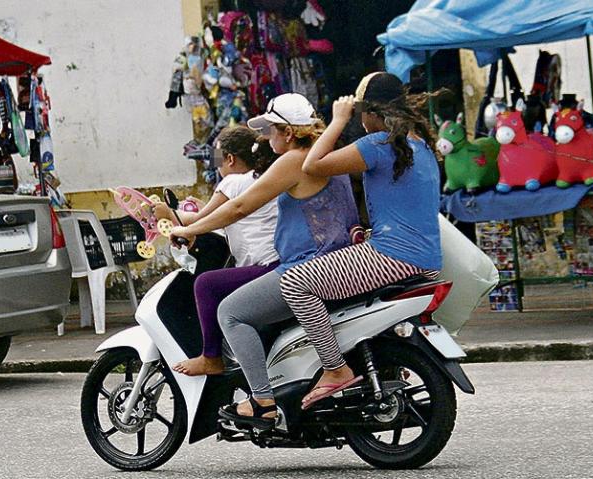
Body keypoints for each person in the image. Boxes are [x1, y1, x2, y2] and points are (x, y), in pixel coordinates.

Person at [169, 93, 360, 429]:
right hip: (340, 261)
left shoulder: (293, 161)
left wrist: (191, 227)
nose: (267, 138)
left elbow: (240, 207)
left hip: (306, 266)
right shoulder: (329, 154)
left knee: (230, 312)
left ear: (288, 132)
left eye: (271, 131)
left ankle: (261, 401)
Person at [281, 71, 443, 410]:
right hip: (424, 259)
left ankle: (335, 368)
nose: (359, 120)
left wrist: (337, 121)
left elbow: (313, 166)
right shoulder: (421, 146)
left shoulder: (379, 146)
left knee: (296, 282)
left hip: (393, 255)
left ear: (373, 113)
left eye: (359, 113)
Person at [154, 127, 280, 376]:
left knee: (206, 285)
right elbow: (220, 216)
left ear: (230, 159)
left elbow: (201, 218)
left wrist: (169, 215)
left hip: (266, 268)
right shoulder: (263, 179)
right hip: (278, 262)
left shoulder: (233, 182)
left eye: (217, 159)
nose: (216, 166)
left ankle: (211, 357)